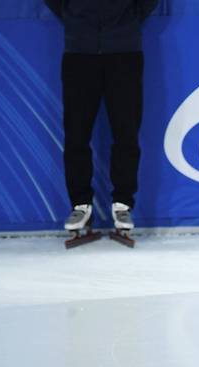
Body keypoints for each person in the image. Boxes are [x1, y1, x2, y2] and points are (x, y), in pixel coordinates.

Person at [44, 0, 158, 233]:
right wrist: (72, 15)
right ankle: (81, 204)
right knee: (77, 134)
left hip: (124, 53)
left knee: (126, 132)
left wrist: (130, 19)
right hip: (79, 53)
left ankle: (123, 203)